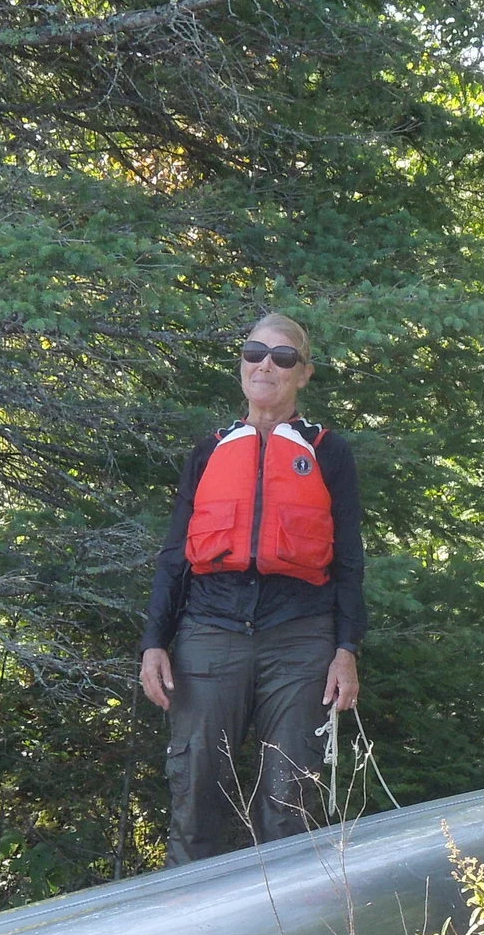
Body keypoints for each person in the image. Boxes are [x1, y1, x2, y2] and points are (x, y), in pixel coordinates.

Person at [141, 314, 366, 863]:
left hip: (299, 639)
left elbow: (350, 560)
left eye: (283, 357)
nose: (265, 363)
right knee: (195, 795)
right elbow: (176, 556)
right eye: (254, 352)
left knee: (292, 802)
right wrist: (153, 642)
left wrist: (347, 650)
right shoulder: (209, 450)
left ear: (303, 374)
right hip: (209, 633)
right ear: (241, 362)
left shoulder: (329, 452)